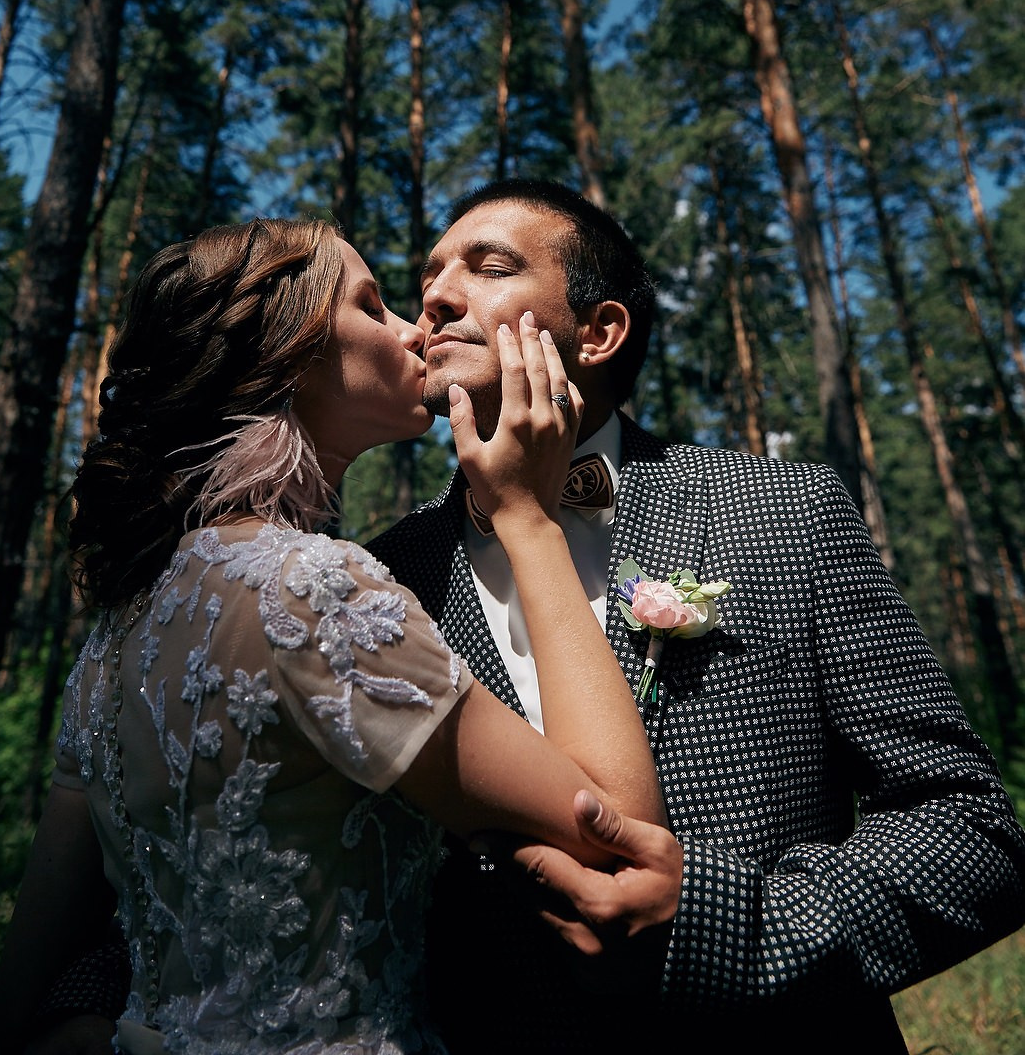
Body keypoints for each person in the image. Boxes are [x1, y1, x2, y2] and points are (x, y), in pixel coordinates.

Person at [372, 177, 1025, 1053]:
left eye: (488, 268)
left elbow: (971, 827)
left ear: (599, 332)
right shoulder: (378, 577)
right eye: (428, 276)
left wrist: (728, 929)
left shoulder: (781, 511)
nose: (435, 298)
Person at [0, 217, 673, 1055]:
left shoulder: (114, 636)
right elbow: (619, 840)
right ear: (286, 355)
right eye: (373, 305)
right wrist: (527, 519)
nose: (416, 324)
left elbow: (29, 971)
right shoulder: (314, 589)